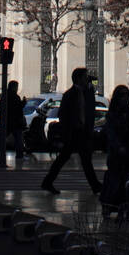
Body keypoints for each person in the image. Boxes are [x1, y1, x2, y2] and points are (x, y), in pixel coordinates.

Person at [41, 67, 102, 195]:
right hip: (73, 132)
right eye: (85, 77)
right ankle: (95, 186)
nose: (87, 79)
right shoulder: (69, 94)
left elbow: (90, 111)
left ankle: (48, 182)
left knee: (82, 160)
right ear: (78, 79)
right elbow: (63, 115)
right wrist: (67, 131)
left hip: (83, 132)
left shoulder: (87, 93)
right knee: (70, 159)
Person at [100, 85, 129, 211]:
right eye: (122, 96)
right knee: (114, 181)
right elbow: (111, 135)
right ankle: (110, 205)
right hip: (116, 155)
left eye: (126, 96)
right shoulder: (112, 116)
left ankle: (128, 205)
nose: (125, 99)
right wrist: (118, 147)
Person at [5, 80, 26, 160]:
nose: (17, 89)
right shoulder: (15, 97)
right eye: (16, 87)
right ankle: (20, 155)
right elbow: (18, 108)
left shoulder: (6, 95)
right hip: (15, 121)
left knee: (3, 137)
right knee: (18, 139)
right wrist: (23, 103)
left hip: (8, 120)